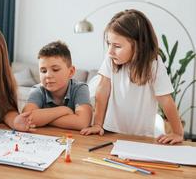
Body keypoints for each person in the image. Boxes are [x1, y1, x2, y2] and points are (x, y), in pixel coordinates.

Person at [80, 9, 184, 144]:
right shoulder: (110, 60)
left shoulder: (154, 65)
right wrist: (97, 124)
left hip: (141, 136)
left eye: (117, 46)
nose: (110, 51)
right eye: (109, 44)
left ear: (139, 46)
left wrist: (177, 132)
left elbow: (166, 99)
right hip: (110, 130)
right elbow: (102, 91)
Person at [22, 41, 92, 130]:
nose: (48, 75)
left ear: (71, 72)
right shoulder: (37, 90)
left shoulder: (80, 88)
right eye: (43, 71)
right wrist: (63, 110)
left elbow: (82, 123)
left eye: (55, 70)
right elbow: (26, 119)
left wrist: (42, 118)